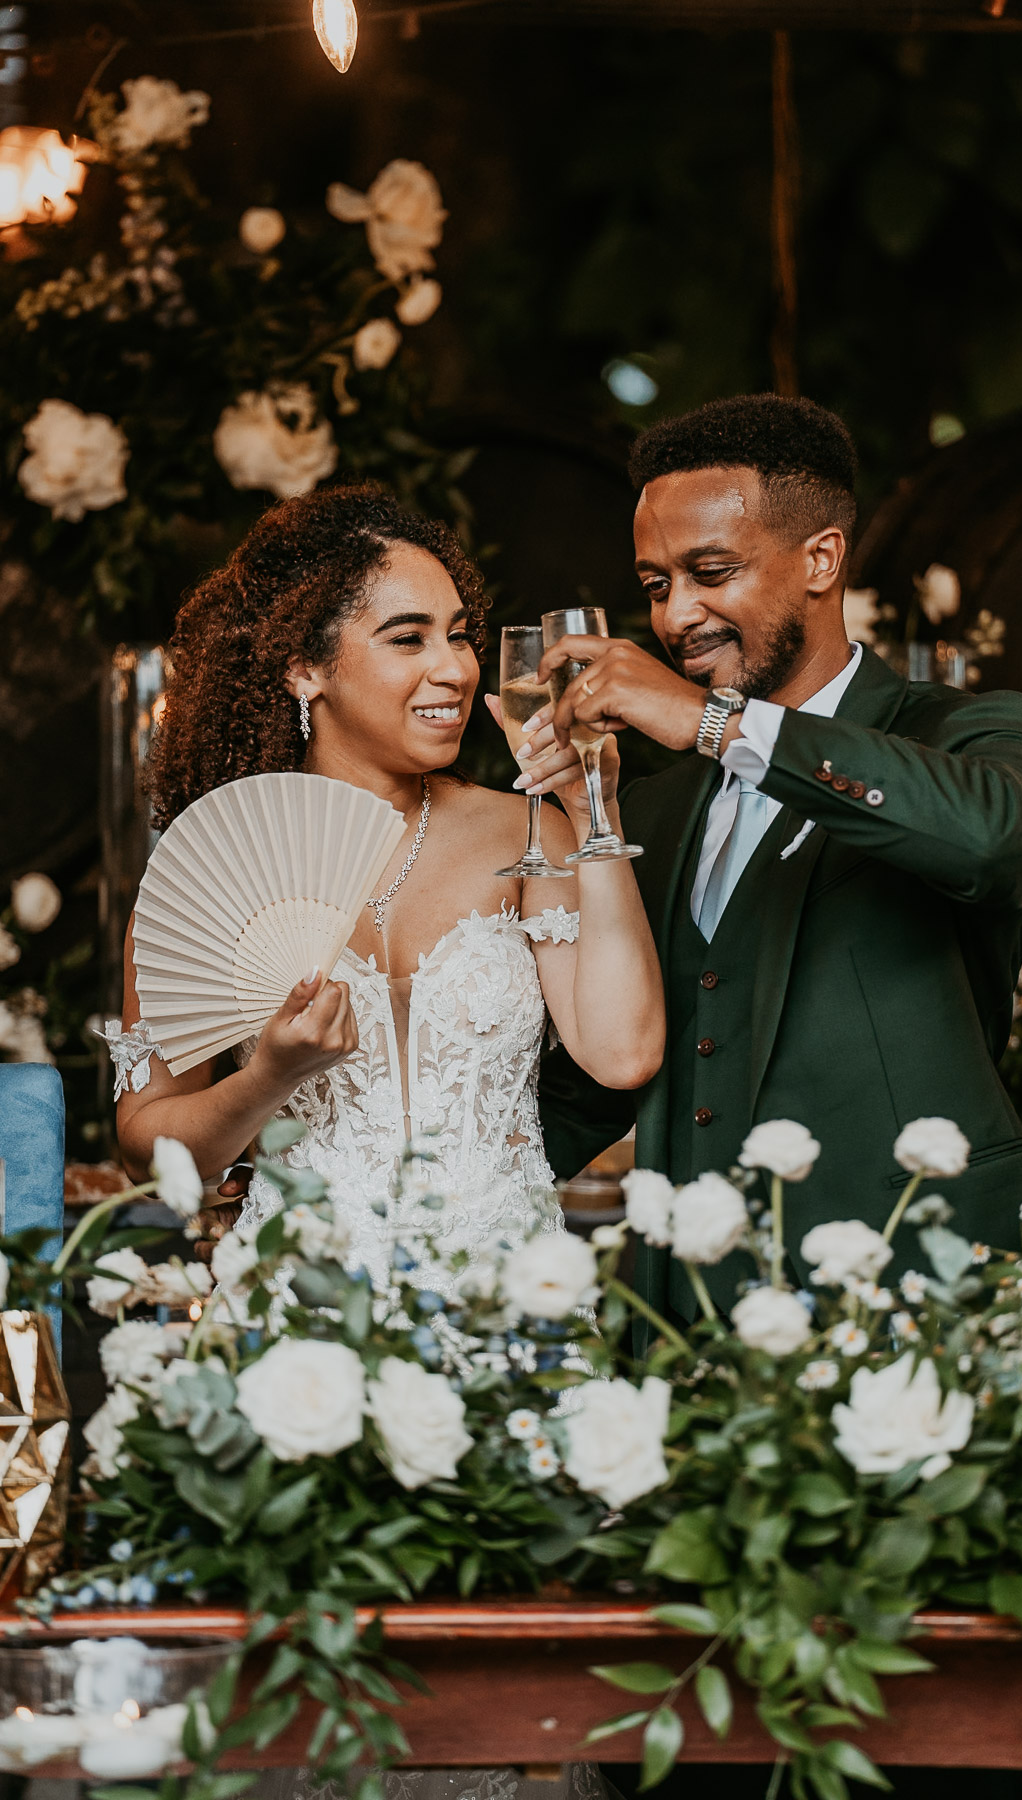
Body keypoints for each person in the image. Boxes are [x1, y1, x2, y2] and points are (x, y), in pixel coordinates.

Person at [107, 482, 659, 1800]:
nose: (455, 667)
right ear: (306, 664)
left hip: (512, 1349)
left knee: (506, 1722)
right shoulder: (210, 866)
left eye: (462, 633)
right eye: (408, 637)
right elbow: (156, 1149)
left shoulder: (525, 832)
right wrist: (270, 1075)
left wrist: (593, 817)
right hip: (295, 1359)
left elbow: (625, 1051)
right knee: (309, 1728)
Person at [525, 392, 1022, 1325]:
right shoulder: (650, 810)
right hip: (691, 1320)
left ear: (822, 558)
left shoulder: (971, 734)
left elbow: (994, 839)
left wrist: (713, 725)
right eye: (657, 584)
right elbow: (605, 1073)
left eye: (711, 572)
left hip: (930, 1308)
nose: (676, 617)